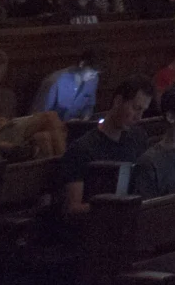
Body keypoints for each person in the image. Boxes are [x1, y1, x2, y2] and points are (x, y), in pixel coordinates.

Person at [60, 77, 155, 214]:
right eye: (136, 108)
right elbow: (73, 208)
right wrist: (114, 206)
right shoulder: (82, 149)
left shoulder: (138, 137)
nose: (139, 117)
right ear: (118, 101)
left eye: (143, 111)